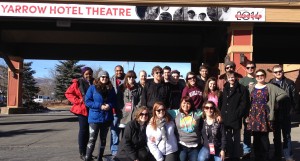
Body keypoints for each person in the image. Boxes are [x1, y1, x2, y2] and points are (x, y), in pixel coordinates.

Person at [247, 69, 289, 161]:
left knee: (264, 137)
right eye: (257, 76)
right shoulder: (252, 87)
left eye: (261, 75)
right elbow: (248, 100)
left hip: (265, 114)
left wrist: (275, 101)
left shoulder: (270, 86)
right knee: (256, 137)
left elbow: (284, 94)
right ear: (255, 77)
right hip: (254, 114)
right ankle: (257, 156)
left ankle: (265, 156)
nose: (259, 77)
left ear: (265, 76)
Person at [84, 70, 117, 161]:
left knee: (103, 139)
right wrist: (99, 106)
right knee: (92, 139)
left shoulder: (111, 88)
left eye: (106, 77)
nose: (104, 78)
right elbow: (87, 101)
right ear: (99, 78)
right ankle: (88, 157)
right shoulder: (92, 88)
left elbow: (114, 100)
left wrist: (109, 105)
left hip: (106, 118)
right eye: (102, 77)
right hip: (94, 118)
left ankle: (100, 158)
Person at [269, 65, 298, 161]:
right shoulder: (270, 83)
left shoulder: (290, 83)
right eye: (276, 72)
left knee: (287, 136)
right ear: (273, 73)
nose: (278, 73)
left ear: (283, 71)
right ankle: (277, 155)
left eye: (280, 71)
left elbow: (295, 99)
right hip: (275, 114)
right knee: (276, 136)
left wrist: (292, 110)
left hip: (286, 113)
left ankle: (288, 156)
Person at [65, 67, 94, 160]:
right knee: (83, 131)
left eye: (90, 73)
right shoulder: (78, 83)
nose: (88, 75)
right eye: (86, 74)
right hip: (82, 110)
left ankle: (88, 152)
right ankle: (82, 152)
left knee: (91, 132)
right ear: (83, 74)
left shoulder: (95, 82)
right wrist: (78, 100)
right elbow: (68, 93)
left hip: (93, 110)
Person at [220, 70, 250, 161]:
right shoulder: (225, 88)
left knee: (237, 138)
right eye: (229, 77)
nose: (231, 79)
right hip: (226, 116)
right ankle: (230, 154)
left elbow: (244, 103)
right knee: (228, 137)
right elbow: (222, 102)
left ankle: (236, 156)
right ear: (227, 79)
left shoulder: (242, 89)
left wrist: (238, 113)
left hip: (236, 116)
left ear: (236, 78)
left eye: (232, 77)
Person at [170, 96, 202, 161]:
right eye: (184, 103)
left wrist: (218, 115)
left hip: (194, 146)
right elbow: (163, 111)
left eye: (188, 103)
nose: (185, 105)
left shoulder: (197, 113)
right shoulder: (176, 113)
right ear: (181, 104)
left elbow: (208, 111)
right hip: (182, 145)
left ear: (191, 105)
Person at [239, 61, 257, 159]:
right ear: (245, 69)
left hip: (258, 110)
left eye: (252, 67)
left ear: (255, 68)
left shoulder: (258, 79)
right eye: (248, 67)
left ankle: (258, 150)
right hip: (247, 110)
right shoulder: (242, 81)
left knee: (258, 131)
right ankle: (247, 151)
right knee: (247, 131)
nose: (250, 69)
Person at [117, 70, 143, 136]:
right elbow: (119, 100)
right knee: (124, 135)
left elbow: (141, 99)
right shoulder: (121, 87)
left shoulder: (139, 88)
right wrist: (122, 108)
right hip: (124, 115)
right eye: (129, 77)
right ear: (127, 78)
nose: (131, 78)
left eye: (133, 77)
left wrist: (137, 108)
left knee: (134, 134)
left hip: (135, 114)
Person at [110, 65, 125, 156]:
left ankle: (123, 150)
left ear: (123, 71)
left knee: (125, 132)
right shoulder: (111, 81)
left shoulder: (128, 79)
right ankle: (114, 151)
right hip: (114, 111)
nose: (119, 72)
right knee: (114, 132)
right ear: (115, 71)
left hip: (125, 112)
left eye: (120, 70)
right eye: (117, 71)